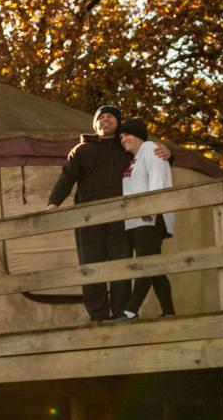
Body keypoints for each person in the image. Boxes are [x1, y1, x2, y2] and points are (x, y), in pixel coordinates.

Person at [47, 105, 171, 321]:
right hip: (88, 219)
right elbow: (67, 177)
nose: (105, 119)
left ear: (118, 123)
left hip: (121, 219)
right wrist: (53, 203)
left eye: (110, 117)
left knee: (122, 266)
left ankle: (121, 314)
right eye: (101, 117)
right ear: (95, 124)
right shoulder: (82, 150)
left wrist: (170, 154)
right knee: (90, 267)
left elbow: (151, 160)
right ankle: (98, 316)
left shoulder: (126, 147)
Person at [111, 117, 176, 321]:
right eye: (121, 136)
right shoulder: (134, 159)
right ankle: (169, 311)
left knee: (146, 264)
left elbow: (157, 177)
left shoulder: (149, 148)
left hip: (150, 217)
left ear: (138, 135)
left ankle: (130, 311)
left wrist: (151, 208)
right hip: (137, 220)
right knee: (154, 266)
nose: (123, 139)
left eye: (127, 134)